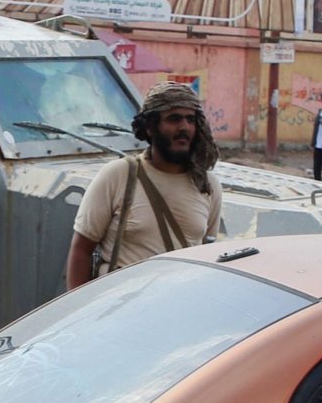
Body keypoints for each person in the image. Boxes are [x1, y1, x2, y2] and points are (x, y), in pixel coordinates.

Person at [66, 81, 222, 287]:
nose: (184, 127)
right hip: (119, 306)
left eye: (190, 120)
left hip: (178, 307)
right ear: (150, 127)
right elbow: (81, 250)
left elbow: (206, 254)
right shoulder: (119, 175)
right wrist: (79, 313)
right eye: (174, 119)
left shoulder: (207, 185)